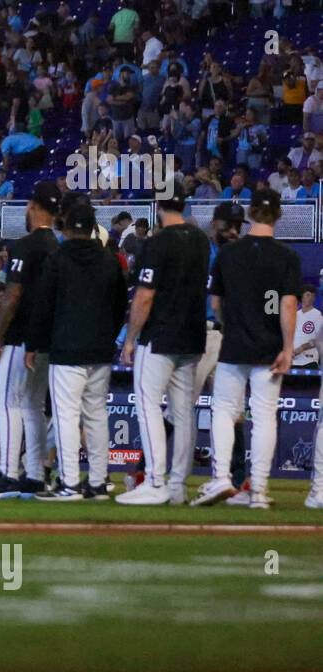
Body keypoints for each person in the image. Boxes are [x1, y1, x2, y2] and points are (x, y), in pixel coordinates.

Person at [195, 188, 300, 509]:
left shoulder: (229, 254)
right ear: (279, 215)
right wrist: (287, 347)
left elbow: (216, 301)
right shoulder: (287, 257)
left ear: (251, 213)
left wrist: (233, 326)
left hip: (235, 343)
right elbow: (289, 304)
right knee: (265, 416)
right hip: (269, 346)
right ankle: (257, 490)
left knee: (225, 411)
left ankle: (221, 479)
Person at [28, 201, 129, 501]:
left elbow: (44, 307)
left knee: (67, 416)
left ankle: (69, 483)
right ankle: (98, 483)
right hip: (99, 349)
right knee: (96, 415)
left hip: (67, 348)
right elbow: (119, 306)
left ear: (68, 227)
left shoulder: (58, 259)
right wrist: (107, 337)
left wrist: (34, 344)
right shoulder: (110, 260)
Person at [117, 189, 208, 505]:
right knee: (183, 412)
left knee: (148, 404)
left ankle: (155, 481)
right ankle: (177, 486)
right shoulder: (200, 240)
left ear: (158, 206)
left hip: (160, 335)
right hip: (193, 335)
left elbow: (144, 295)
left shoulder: (157, 243)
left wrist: (130, 338)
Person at [0, 182, 60, 498]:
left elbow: (13, 295)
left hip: (20, 337)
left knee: (7, 403)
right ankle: (35, 475)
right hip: (45, 341)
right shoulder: (56, 246)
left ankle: (8, 473)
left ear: (34, 207)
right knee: (34, 407)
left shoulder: (27, 245)